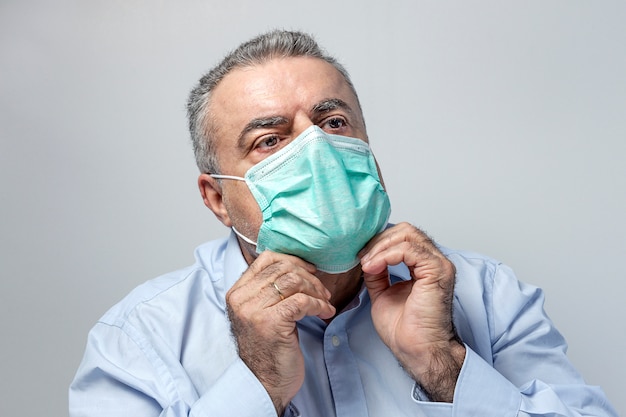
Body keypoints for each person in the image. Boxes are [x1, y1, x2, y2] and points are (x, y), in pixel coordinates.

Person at [69, 30, 617, 417]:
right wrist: (258, 385)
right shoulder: (137, 339)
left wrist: (444, 364)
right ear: (216, 196)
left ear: (369, 153)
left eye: (334, 123)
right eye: (271, 140)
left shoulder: (486, 293)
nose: (318, 152)